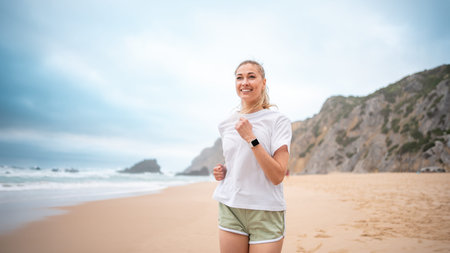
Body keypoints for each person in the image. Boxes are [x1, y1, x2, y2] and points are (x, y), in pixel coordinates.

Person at [212, 60, 292, 253]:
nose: (244, 82)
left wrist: (251, 138)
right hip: (231, 206)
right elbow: (238, 161)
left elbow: (277, 175)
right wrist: (222, 171)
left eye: (251, 76)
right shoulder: (226, 123)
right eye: (239, 78)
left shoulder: (278, 121)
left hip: (266, 210)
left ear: (263, 82)